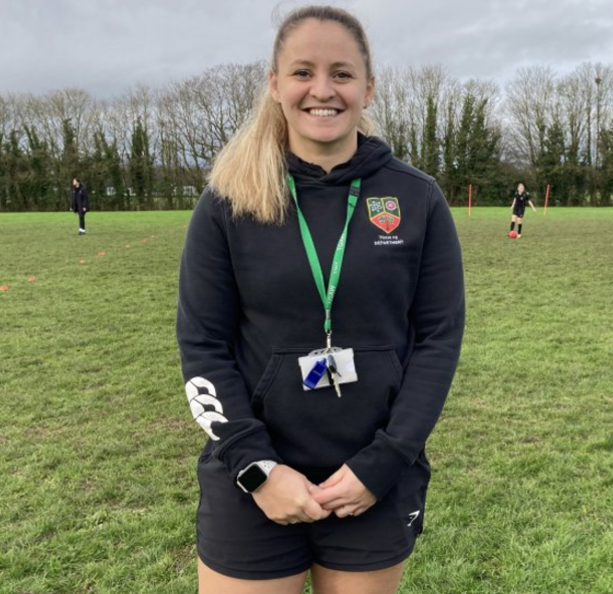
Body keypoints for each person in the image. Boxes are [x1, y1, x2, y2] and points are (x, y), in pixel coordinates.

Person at [176, 6, 465, 594]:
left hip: (372, 479)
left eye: (342, 73)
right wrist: (257, 469)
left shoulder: (416, 197)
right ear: (275, 84)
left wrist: (383, 463)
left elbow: (438, 341)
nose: (323, 90)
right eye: (303, 72)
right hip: (251, 478)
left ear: (368, 87)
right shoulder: (229, 199)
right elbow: (202, 345)